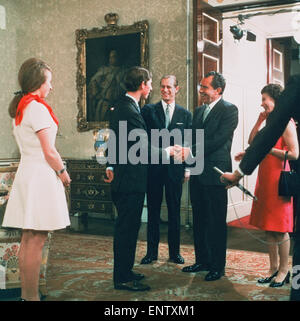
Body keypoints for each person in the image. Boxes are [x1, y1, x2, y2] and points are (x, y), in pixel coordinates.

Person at [221, 74, 300, 300]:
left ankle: (285, 271)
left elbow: (294, 153)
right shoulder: (269, 120)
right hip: (264, 178)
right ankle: (273, 268)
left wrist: (267, 151)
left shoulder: (286, 122)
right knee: (269, 227)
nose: (262, 102)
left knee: (280, 227)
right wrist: (258, 120)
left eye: (264, 99)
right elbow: (253, 142)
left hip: (279, 179)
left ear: (277, 100)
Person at [2, 58, 71, 301]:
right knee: (36, 240)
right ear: (39, 81)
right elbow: (49, 151)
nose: (51, 86)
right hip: (40, 176)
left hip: (27, 174)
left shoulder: (22, 107)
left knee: (28, 239)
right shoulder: (37, 108)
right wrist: (63, 173)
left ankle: (26, 296)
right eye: (49, 81)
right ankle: (31, 298)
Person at [104, 66, 178, 292]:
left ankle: (125, 271)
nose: (153, 87)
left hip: (125, 178)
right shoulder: (129, 110)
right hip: (130, 181)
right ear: (142, 85)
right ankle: (123, 279)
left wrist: (110, 163)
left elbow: (114, 140)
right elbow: (143, 149)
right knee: (127, 230)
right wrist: (168, 152)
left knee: (128, 228)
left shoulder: (124, 106)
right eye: (151, 83)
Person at [182, 71, 238, 281]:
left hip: (216, 173)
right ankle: (202, 260)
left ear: (218, 90)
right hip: (197, 172)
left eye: (205, 87)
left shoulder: (230, 110)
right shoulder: (198, 112)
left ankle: (217, 266)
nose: (201, 91)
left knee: (215, 221)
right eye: (201, 87)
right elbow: (190, 138)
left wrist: (192, 151)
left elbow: (218, 140)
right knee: (199, 219)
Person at [140, 75, 192, 265]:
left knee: (174, 211)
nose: (165, 90)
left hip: (175, 170)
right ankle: (151, 253)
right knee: (153, 211)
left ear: (177, 89)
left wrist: (188, 169)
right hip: (153, 169)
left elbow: (188, 142)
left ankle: (174, 253)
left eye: (169, 87)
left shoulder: (185, 115)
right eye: (162, 87)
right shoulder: (148, 111)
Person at [87, 49, 126, 121]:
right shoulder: (104, 70)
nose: (112, 59)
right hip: (104, 104)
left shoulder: (124, 72)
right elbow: (93, 82)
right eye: (110, 57)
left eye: (114, 56)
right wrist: (97, 94)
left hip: (118, 105)